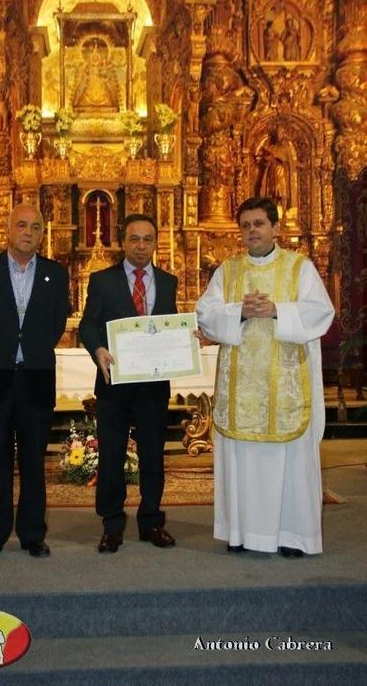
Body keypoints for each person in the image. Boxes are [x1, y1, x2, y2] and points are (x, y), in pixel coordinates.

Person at [196, 196, 334, 557]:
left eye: (258, 224)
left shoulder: (299, 268)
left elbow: (321, 313)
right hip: (240, 386)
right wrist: (238, 312)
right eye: (245, 225)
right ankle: (241, 533)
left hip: (284, 386)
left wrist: (277, 310)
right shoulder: (228, 270)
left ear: (275, 227)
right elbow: (205, 314)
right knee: (243, 461)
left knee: (288, 463)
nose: (252, 231)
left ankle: (292, 536)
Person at [0, 203, 70, 561]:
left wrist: (29, 350)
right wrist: (3, 352)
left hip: (36, 380)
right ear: (8, 230)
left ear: (43, 233)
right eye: (21, 225)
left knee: (33, 462)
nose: (28, 232)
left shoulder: (56, 273)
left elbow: (56, 324)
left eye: (35, 227)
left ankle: (32, 534)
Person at [79, 213, 178, 553]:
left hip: (153, 386)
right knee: (111, 456)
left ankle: (151, 521)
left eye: (147, 239)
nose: (140, 245)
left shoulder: (168, 281)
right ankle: (112, 525)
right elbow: (87, 325)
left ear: (155, 242)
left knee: (152, 456)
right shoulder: (102, 280)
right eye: (134, 239)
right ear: (123, 241)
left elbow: (170, 326)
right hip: (114, 384)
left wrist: (184, 338)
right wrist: (98, 349)